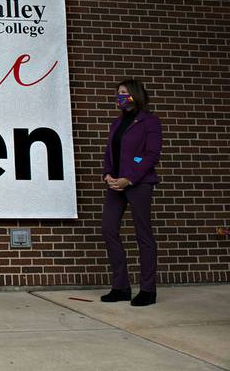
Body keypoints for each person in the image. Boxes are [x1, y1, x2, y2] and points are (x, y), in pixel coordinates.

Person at [100, 79, 162, 306]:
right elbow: (109, 152)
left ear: (135, 94)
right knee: (108, 229)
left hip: (139, 183)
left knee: (143, 234)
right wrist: (107, 174)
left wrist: (130, 178)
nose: (120, 96)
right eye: (118, 93)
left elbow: (151, 155)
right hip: (115, 184)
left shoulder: (149, 121)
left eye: (124, 92)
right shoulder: (117, 123)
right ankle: (121, 286)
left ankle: (148, 290)